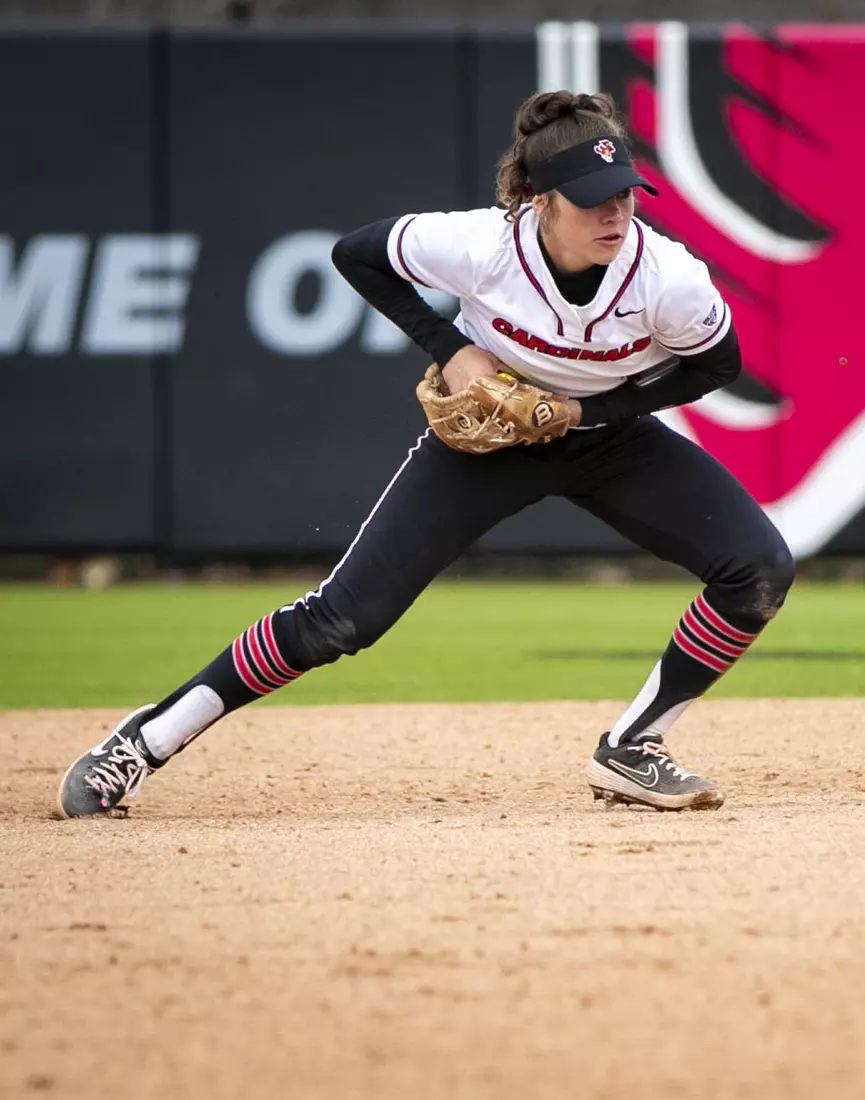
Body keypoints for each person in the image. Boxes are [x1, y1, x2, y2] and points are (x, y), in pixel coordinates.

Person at [56, 90, 793, 817]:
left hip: (611, 441)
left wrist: (585, 410)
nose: (615, 212)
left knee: (756, 569)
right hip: (486, 449)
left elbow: (714, 368)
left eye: (625, 193)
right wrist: (455, 350)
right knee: (341, 620)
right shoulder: (481, 246)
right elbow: (356, 255)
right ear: (538, 201)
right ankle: (143, 743)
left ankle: (635, 744)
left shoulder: (669, 279)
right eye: (590, 197)